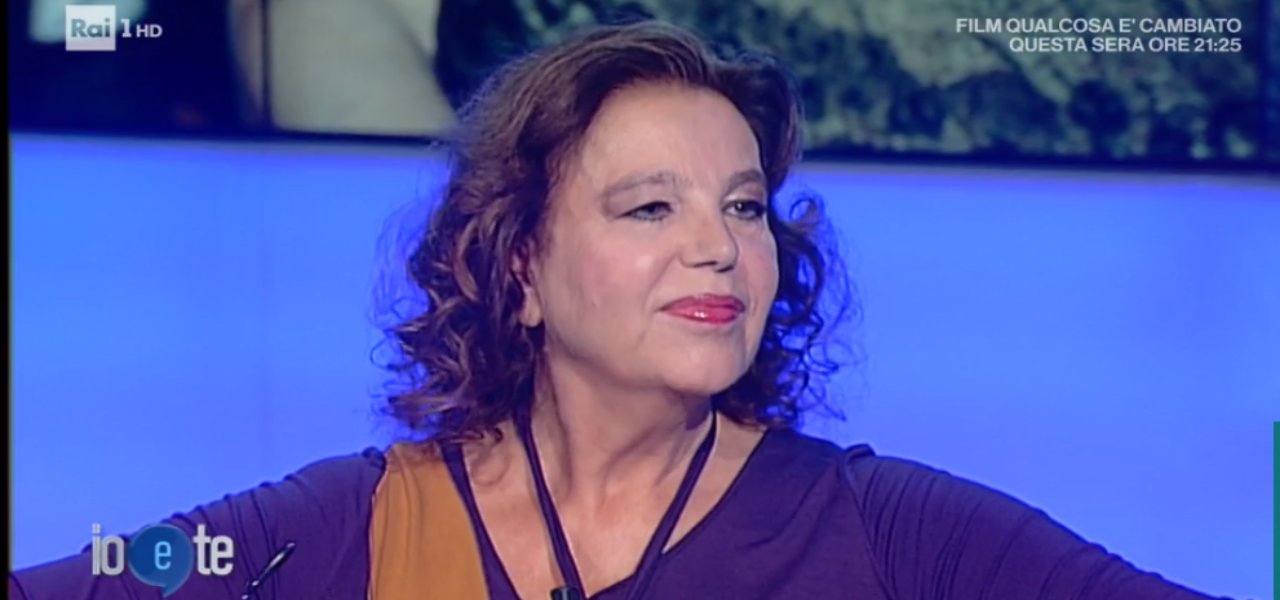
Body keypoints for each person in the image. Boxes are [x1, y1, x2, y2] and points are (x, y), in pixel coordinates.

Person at [9, 19, 1233, 600]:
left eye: (744, 207)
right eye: (651, 208)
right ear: (520, 268)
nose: (717, 246)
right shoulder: (352, 525)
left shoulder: (895, 535)